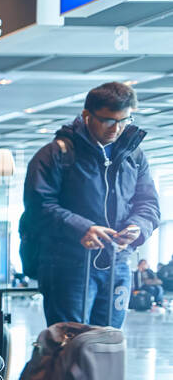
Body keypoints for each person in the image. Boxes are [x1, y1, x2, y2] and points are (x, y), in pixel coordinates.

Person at [21, 81, 161, 327]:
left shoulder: (134, 156)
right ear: (87, 116)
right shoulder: (55, 154)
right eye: (108, 120)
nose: (116, 129)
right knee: (71, 345)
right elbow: (38, 207)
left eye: (124, 121)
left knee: (108, 343)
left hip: (117, 263)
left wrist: (138, 227)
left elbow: (148, 205)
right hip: (68, 265)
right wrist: (82, 228)